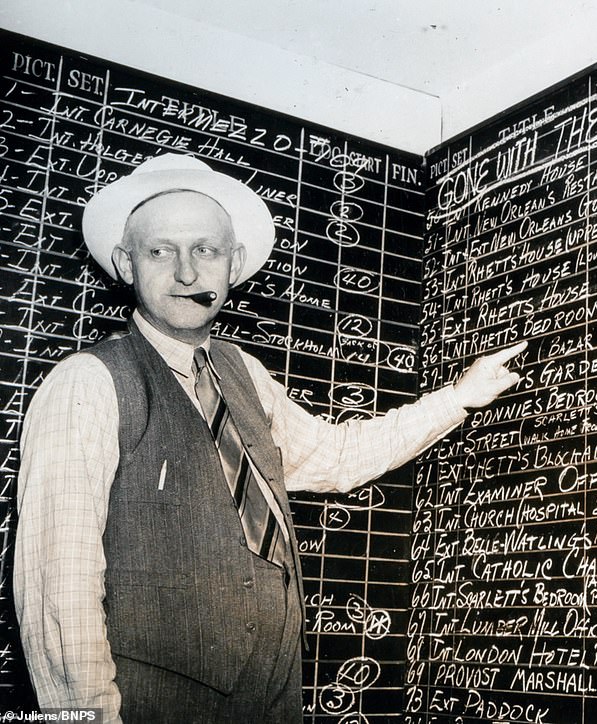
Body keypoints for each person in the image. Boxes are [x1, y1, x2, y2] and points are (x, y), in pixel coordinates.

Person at [13, 153, 525, 724]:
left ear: (232, 264)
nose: (187, 273)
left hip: (271, 698)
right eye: (161, 251)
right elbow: (58, 590)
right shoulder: (87, 382)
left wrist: (458, 397)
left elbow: (333, 458)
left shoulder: (242, 373)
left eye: (205, 250)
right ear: (125, 264)